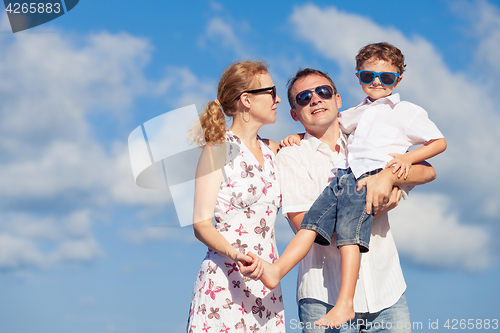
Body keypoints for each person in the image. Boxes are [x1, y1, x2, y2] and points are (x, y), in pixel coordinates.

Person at [259, 42, 446, 328]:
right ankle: (283, 272)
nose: (315, 100)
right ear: (295, 113)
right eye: (304, 97)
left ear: (337, 99)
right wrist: (374, 205)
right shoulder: (292, 155)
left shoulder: (365, 142)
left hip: (387, 292)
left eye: (322, 92)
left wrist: (388, 177)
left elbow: (428, 171)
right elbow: (304, 225)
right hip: (324, 296)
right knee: (315, 222)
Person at [186, 61, 286, 333]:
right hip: (225, 284)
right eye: (271, 91)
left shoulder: (273, 151)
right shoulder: (218, 149)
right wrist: (236, 255)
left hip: (266, 285)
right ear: (247, 100)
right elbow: (201, 223)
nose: (278, 99)